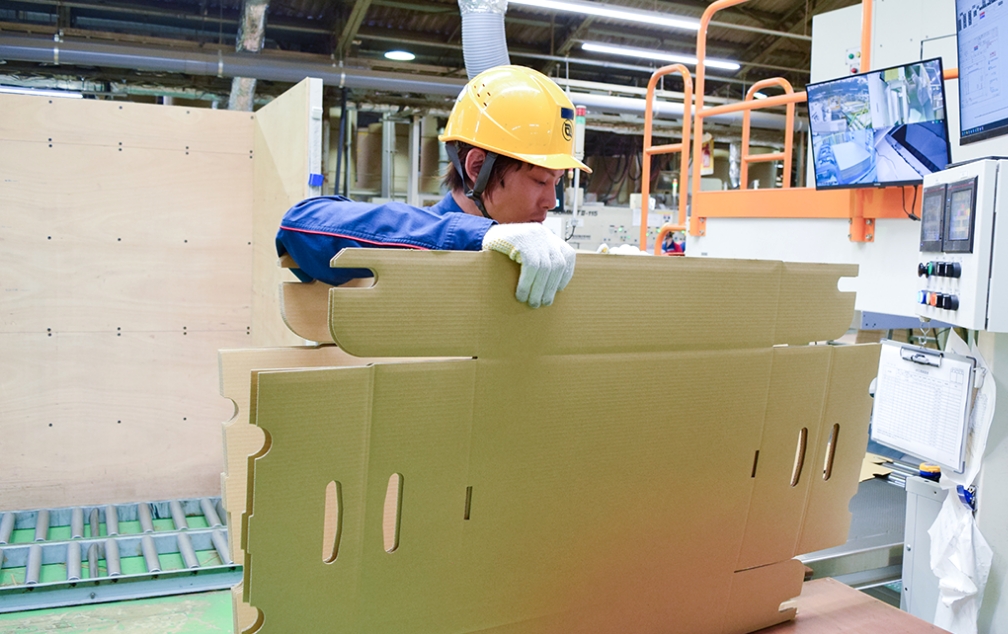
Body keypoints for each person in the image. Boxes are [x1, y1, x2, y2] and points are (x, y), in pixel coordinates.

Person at [276, 65, 591, 308]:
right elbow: (298, 224)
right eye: (539, 180)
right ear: (477, 167)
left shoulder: (538, 260)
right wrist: (481, 235)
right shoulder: (417, 237)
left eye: (557, 182)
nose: (551, 201)